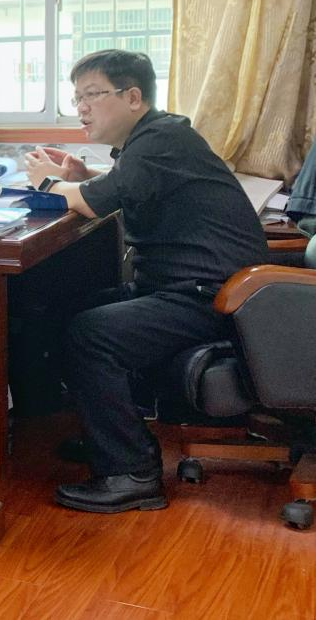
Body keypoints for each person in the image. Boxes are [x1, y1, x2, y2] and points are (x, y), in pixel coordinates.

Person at [24, 49, 267, 514]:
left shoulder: (161, 139)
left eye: (92, 95)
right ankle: (108, 437)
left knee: (92, 334)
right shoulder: (153, 140)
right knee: (71, 308)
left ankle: (131, 473)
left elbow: (92, 203)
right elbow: (120, 187)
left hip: (212, 295)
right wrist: (82, 176)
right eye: (76, 98)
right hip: (183, 287)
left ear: (133, 97)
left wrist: (47, 183)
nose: (81, 108)